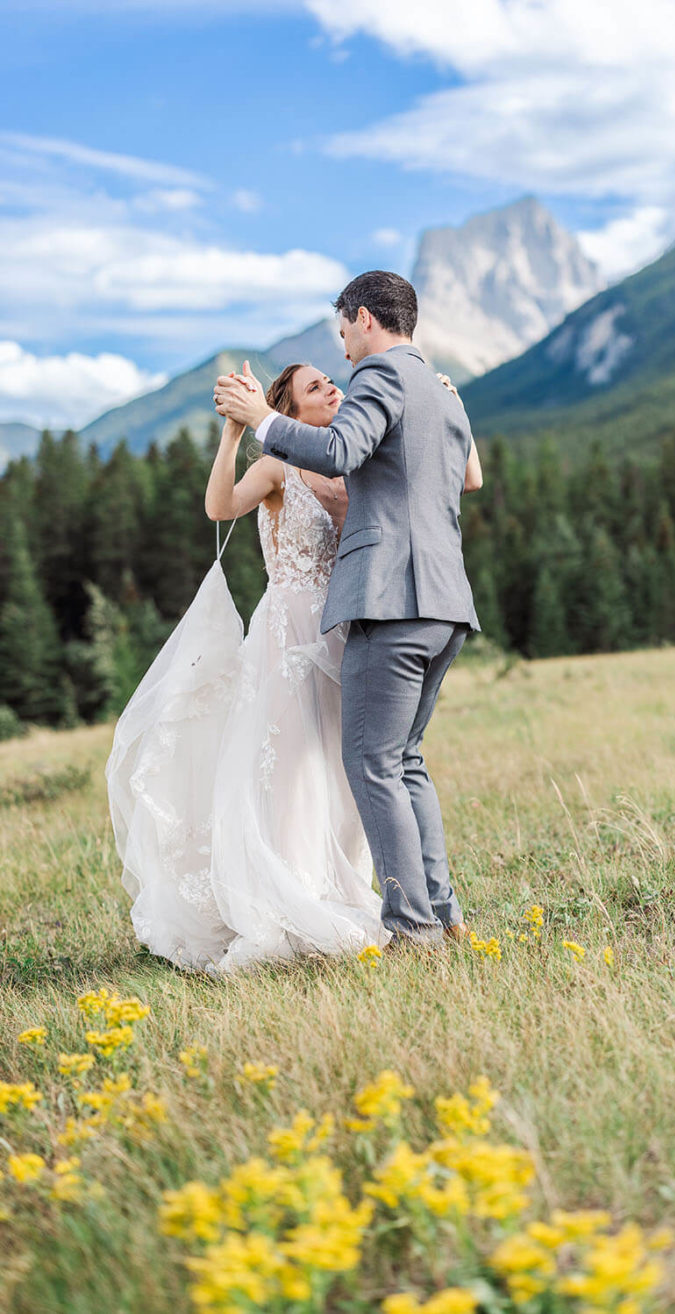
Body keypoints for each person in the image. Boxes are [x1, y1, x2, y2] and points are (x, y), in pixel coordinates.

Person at [215, 270, 482, 950]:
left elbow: (339, 449)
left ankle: (413, 926)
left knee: (371, 761)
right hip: (445, 602)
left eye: (342, 334)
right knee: (405, 759)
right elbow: (470, 477)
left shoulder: (382, 376)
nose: (344, 355)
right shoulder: (439, 388)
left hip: (391, 599)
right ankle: (442, 914)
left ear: (363, 319)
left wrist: (262, 421)